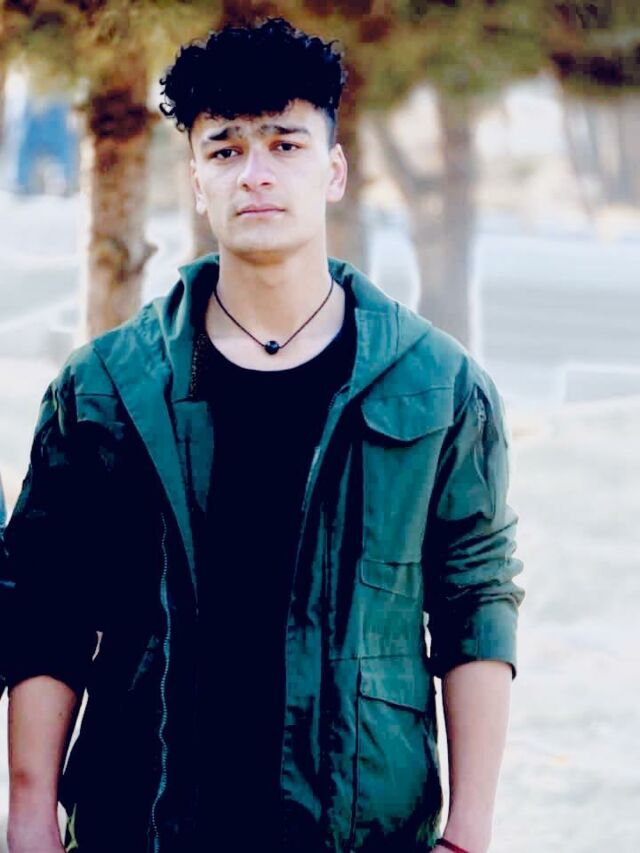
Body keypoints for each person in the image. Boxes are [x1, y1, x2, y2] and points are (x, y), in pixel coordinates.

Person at [3, 17, 524, 853]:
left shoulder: (438, 386)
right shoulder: (103, 387)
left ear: (334, 170)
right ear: (196, 180)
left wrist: (468, 833)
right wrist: (29, 816)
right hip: (141, 823)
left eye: (285, 145)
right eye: (226, 150)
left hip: (361, 830)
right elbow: (45, 602)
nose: (255, 174)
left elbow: (475, 601)